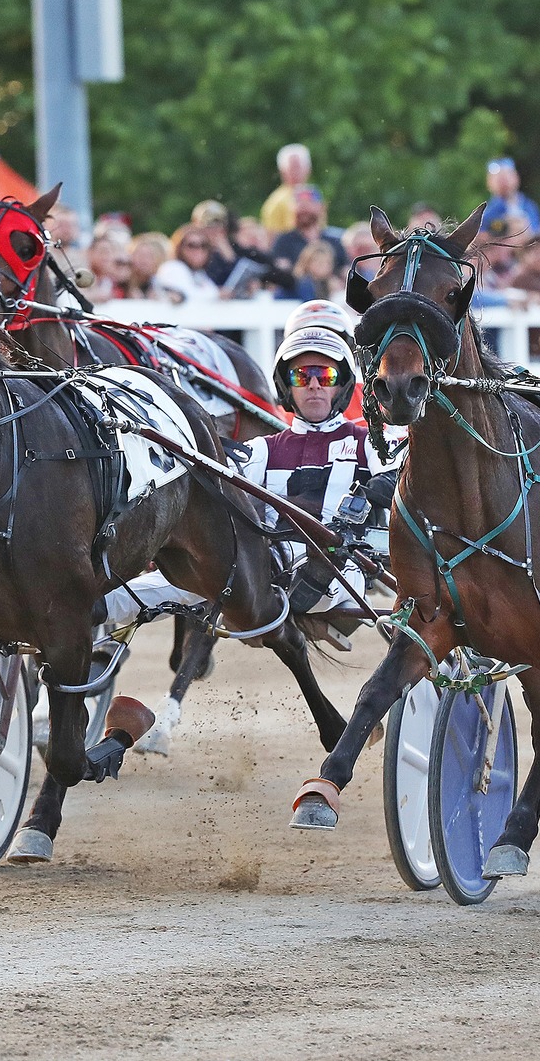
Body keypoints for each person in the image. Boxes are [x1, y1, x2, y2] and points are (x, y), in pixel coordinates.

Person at [91, 301, 395, 754]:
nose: (313, 385)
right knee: (131, 593)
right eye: (301, 376)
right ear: (286, 386)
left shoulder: (370, 443)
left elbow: (407, 470)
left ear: (343, 383)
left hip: (335, 572)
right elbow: (216, 475)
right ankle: (53, 629)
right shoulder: (262, 451)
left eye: (325, 376)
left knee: (266, 566)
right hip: (252, 575)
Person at [259, 143, 312, 236]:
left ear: (308, 169)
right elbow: (272, 237)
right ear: (282, 171)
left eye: (299, 166)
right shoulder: (275, 202)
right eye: (293, 167)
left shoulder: (313, 195)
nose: (296, 172)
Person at [483, 157, 540, 234]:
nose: (503, 181)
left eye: (507, 175)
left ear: (516, 177)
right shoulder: (487, 212)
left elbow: (537, 233)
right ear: (489, 182)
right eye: (498, 178)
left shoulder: (530, 207)